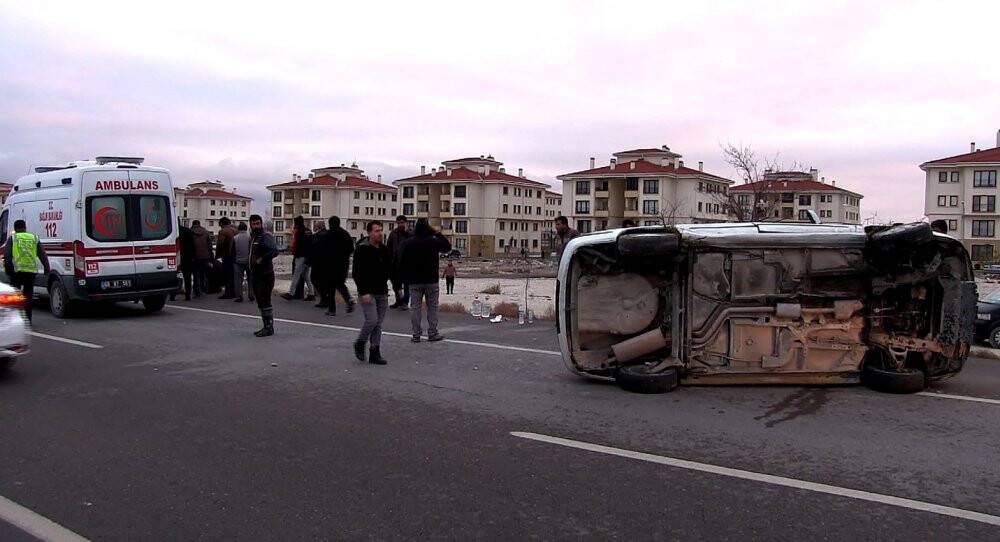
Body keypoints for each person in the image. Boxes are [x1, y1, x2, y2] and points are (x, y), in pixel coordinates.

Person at [400, 218, 451, 342]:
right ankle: (432, 333)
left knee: (415, 308)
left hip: (414, 281)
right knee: (432, 308)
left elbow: (402, 262)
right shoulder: (433, 241)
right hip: (431, 280)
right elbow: (447, 247)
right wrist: (436, 233)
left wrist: (404, 278)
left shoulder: (408, 243)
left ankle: (416, 335)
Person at [352, 220, 391, 365]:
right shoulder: (362, 249)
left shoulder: (384, 250)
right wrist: (364, 291)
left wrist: (397, 287)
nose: (380, 233)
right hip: (368, 292)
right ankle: (360, 342)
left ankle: (375, 352)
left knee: (378, 324)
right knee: (372, 320)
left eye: (381, 230)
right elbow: (357, 273)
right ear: (369, 233)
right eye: (376, 230)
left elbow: (390, 269)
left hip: (382, 291)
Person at [3, 220, 50, 322]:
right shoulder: (33, 238)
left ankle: (15, 319)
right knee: (28, 294)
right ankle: (28, 319)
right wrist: (47, 267)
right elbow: (42, 254)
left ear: (15, 229)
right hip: (30, 271)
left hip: (16, 271)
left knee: (15, 295)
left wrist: (9, 270)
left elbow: (7, 256)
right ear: (25, 227)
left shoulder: (13, 238)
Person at [248, 215, 278, 337]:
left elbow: (274, 251)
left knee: (265, 300)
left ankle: (269, 327)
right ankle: (266, 326)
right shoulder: (253, 237)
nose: (256, 226)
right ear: (250, 224)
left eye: (258, 223)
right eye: (254, 224)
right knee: (260, 300)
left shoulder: (265, 236)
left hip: (265, 274)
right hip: (256, 273)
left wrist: (262, 259)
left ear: (261, 224)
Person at [324, 216, 355, 316]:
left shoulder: (328, 234)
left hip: (330, 263)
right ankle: (348, 298)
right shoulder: (345, 234)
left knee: (330, 287)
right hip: (343, 263)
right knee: (340, 283)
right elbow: (351, 248)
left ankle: (332, 309)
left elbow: (324, 249)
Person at [282, 216, 315, 301]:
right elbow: (312, 244)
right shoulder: (309, 231)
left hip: (300, 256)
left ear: (296, 223)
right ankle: (311, 293)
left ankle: (290, 293)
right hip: (309, 257)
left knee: (296, 275)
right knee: (306, 276)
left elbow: (295, 245)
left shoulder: (298, 232)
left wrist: (293, 252)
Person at [386, 215, 411, 309]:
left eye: (402, 223)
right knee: (396, 285)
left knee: (407, 286)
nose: (400, 224)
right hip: (395, 263)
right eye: (399, 223)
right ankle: (398, 300)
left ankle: (405, 302)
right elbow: (389, 247)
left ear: (406, 223)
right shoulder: (393, 234)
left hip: (407, 264)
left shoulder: (410, 234)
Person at [190, 220, 214, 296]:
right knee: (203, 273)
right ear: (199, 224)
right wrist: (211, 257)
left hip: (195, 257)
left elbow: (188, 246)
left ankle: (197, 291)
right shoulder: (206, 232)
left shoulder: (190, 232)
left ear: (193, 224)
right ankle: (203, 289)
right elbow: (209, 245)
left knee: (196, 273)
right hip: (205, 256)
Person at [216, 217, 237, 299]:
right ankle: (235, 292)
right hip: (236, 256)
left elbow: (220, 244)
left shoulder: (223, 231)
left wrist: (217, 256)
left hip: (227, 255)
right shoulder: (236, 229)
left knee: (227, 275)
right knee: (234, 275)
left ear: (221, 224)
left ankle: (228, 293)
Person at [233, 222, 254, 303]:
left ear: (239, 229)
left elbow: (232, 250)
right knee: (250, 279)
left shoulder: (235, 238)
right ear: (246, 228)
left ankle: (239, 296)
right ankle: (251, 294)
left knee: (238, 280)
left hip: (238, 262)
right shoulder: (250, 237)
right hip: (249, 261)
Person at [177, 221, 196, 300]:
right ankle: (188, 294)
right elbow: (193, 244)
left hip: (176, 255)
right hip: (187, 256)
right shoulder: (187, 231)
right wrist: (193, 256)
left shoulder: (172, 231)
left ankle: (173, 295)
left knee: (175, 275)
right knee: (187, 276)